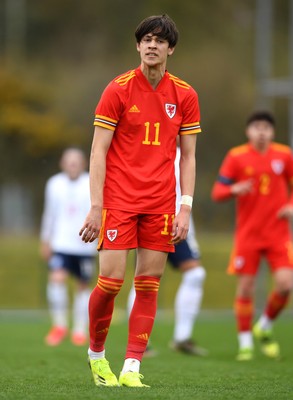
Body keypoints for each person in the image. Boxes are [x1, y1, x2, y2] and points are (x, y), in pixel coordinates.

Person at [79, 14, 201, 388]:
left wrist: (185, 207)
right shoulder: (117, 89)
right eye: (146, 39)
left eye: (159, 41)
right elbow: (98, 152)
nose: (152, 45)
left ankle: (132, 367)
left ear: (170, 49)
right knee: (111, 282)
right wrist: (96, 207)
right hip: (118, 200)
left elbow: (190, 156)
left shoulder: (185, 94)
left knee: (148, 283)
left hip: (161, 204)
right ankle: (97, 356)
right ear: (137, 45)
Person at [211, 111, 293, 361]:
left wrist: (291, 205)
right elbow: (217, 192)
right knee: (245, 288)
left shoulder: (284, 155)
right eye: (256, 127)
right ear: (248, 131)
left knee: (286, 284)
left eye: (266, 127)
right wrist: (233, 189)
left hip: (278, 233)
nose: (261, 131)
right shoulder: (236, 157)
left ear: (272, 132)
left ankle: (264, 325)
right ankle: (245, 343)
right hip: (248, 234)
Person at [127, 144, 207, 357]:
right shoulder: (149, 148)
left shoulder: (186, 155)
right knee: (144, 279)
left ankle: (182, 337)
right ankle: (140, 341)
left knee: (195, 274)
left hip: (178, 223)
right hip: (152, 221)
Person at [40, 147, 97, 346]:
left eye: (76, 161)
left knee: (83, 286)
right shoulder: (54, 184)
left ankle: (80, 330)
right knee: (57, 278)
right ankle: (59, 325)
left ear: (83, 163)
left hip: (85, 245)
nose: (72, 164)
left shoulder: (91, 182)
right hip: (61, 243)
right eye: (68, 161)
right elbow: (49, 213)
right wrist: (45, 240)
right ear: (62, 163)